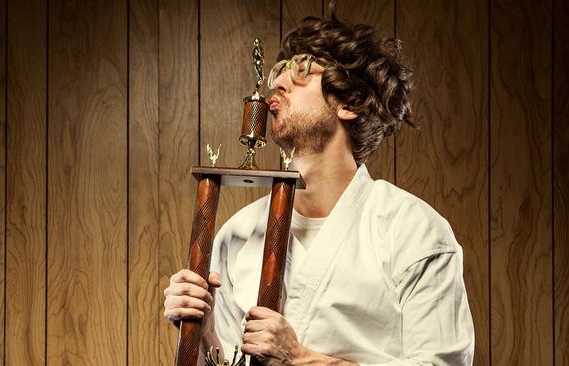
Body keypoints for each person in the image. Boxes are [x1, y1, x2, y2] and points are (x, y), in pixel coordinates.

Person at [164, 2, 475, 365]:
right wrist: (203, 333)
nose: (277, 83)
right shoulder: (238, 234)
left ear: (349, 102)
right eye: (278, 71)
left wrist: (299, 358)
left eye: (300, 70)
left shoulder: (415, 232)